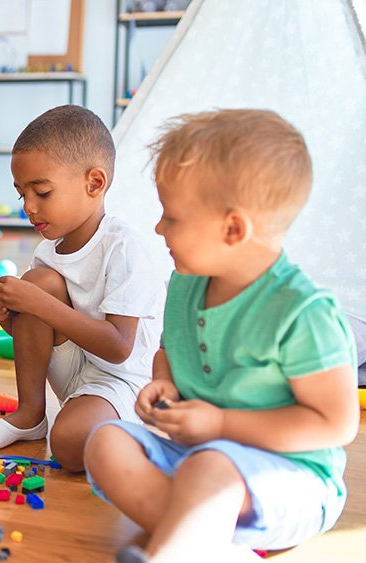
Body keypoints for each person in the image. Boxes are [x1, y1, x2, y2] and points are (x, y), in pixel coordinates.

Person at [83, 109, 359, 562]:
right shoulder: (185, 282)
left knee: (211, 467)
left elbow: (335, 424)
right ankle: (208, 543)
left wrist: (221, 425)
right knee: (106, 442)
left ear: (233, 229)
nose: (158, 228)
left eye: (172, 217)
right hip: (197, 455)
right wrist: (164, 385)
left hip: (290, 478)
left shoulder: (303, 312)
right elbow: (170, 351)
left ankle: (173, 551)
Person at [0, 105, 165, 471]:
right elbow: (34, 335)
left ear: (94, 183)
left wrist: (36, 303)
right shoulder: (48, 252)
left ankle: (133, 428)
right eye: (21, 195)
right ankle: (30, 414)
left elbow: (118, 347)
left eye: (42, 192)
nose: (29, 207)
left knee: (69, 444)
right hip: (75, 371)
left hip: (122, 380)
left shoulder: (124, 248)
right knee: (39, 283)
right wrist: (9, 313)